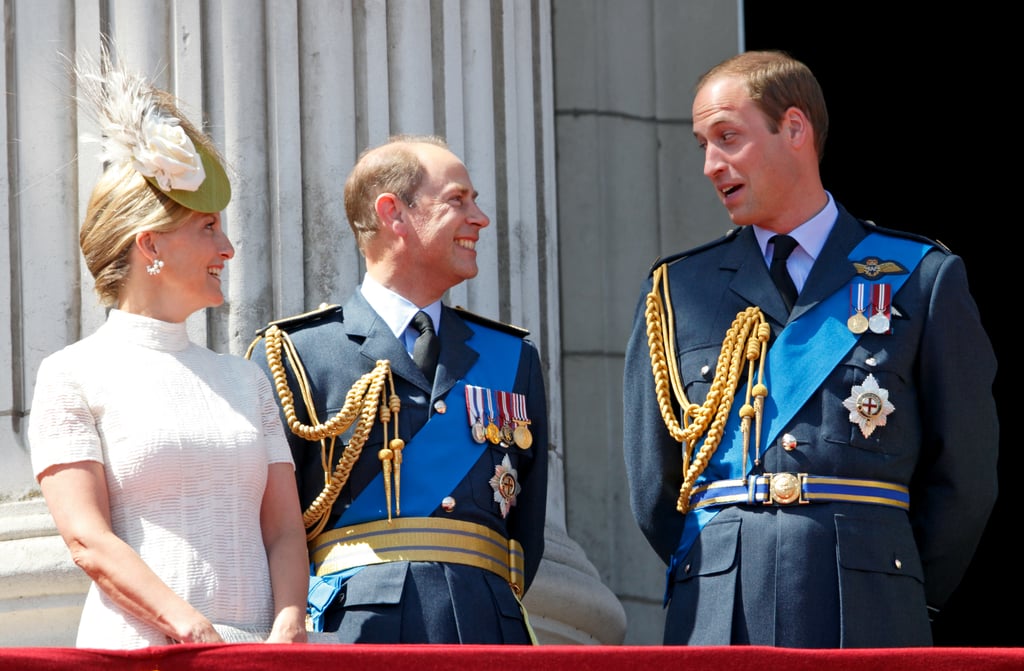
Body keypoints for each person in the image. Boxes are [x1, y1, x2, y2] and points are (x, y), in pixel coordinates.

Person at [622, 50, 998, 648]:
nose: (711, 165)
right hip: (722, 608)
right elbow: (654, 487)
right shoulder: (676, 290)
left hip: (869, 605)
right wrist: (722, 564)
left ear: (794, 128)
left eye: (728, 137)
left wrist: (892, 580)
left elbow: (965, 475)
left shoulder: (920, 277)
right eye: (703, 145)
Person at [27, 47, 309, 649]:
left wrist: (289, 623)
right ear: (148, 245)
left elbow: (284, 528)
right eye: (208, 227)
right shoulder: (72, 375)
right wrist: (191, 630)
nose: (228, 248)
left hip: (256, 656)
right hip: (144, 653)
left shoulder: (247, 380)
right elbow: (88, 540)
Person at [247, 134, 548, 644]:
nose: (480, 218)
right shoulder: (295, 355)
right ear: (393, 213)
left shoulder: (512, 357)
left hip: (486, 626)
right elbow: (269, 529)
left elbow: (526, 532)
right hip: (359, 629)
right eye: (458, 200)